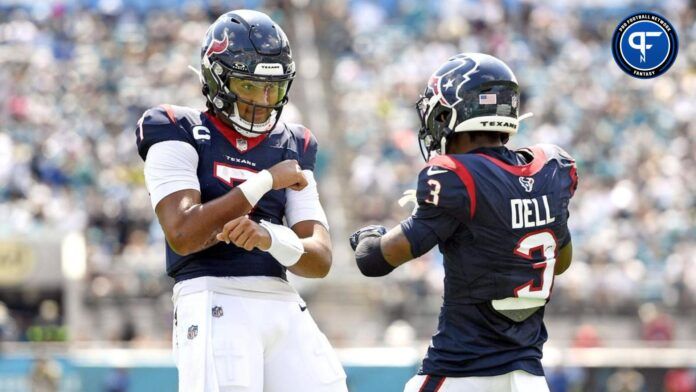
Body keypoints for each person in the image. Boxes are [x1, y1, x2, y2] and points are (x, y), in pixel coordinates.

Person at [135, 10, 347, 392]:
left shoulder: (294, 142)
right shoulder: (175, 127)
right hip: (213, 295)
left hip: (281, 299)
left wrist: (267, 237)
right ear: (216, 79)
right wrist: (264, 181)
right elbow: (183, 233)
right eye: (249, 87)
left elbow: (319, 259)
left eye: (274, 89)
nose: (263, 103)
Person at [350, 53, 578, 392]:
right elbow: (561, 262)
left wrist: (368, 237)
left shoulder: (458, 178)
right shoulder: (551, 168)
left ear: (451, 114)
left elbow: (373, 261)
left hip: (461, 373)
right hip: (529, 378)